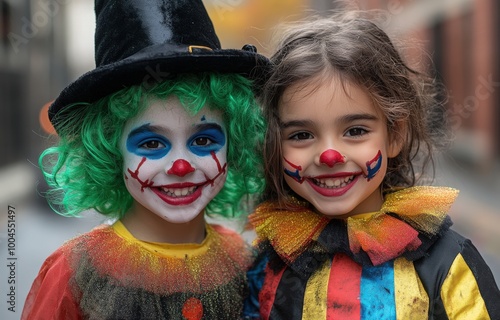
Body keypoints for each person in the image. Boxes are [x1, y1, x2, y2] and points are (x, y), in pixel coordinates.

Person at [21, 0, 269, 319]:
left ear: (232, 143)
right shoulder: (74, 272)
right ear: (111, 151)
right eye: (152, 143)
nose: (181, 165)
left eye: (203, 140)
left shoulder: (247, 262)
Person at [249, 10, 500, 319]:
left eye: (355, 131)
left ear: (394, 135)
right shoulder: (267, 265)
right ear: (274, 144)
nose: (329, 156)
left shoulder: (447, 265)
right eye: (302, 135)